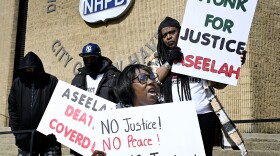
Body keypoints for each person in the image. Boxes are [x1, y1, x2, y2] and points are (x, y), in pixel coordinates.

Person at [147, 17, 248, 156]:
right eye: (164, 35)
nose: (169, 37)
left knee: (204, 153)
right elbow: (154, 81)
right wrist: (169, 62)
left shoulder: (198, 54)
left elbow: (218, 83)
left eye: (172, 32)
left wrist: (235, 64)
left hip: (204, 115)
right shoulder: (157, 58)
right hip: (176, 117)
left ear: (181, 33)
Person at [92, 64, 159, 156]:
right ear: (127, 85)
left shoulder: (170, 116)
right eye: (143, 78)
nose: (151, 81)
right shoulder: (112, 124)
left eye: (152, 77)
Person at [70, 43, 120, 156]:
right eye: (86, 59)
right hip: (82, 137)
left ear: (99, 58)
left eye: (92, 58)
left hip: (106, 136)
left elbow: (121, 104)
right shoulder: (77, 79)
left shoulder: (114, 76)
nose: (89, 62)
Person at [8, 51, 61, 155]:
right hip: (25, 139)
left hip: (49, 138)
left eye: (33, 69)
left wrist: (55, 131)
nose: (30, 72)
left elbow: (59, 107)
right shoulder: (17, 84)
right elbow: (12, 108)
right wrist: (18, 132)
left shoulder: (51, 81)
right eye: (27, 70)